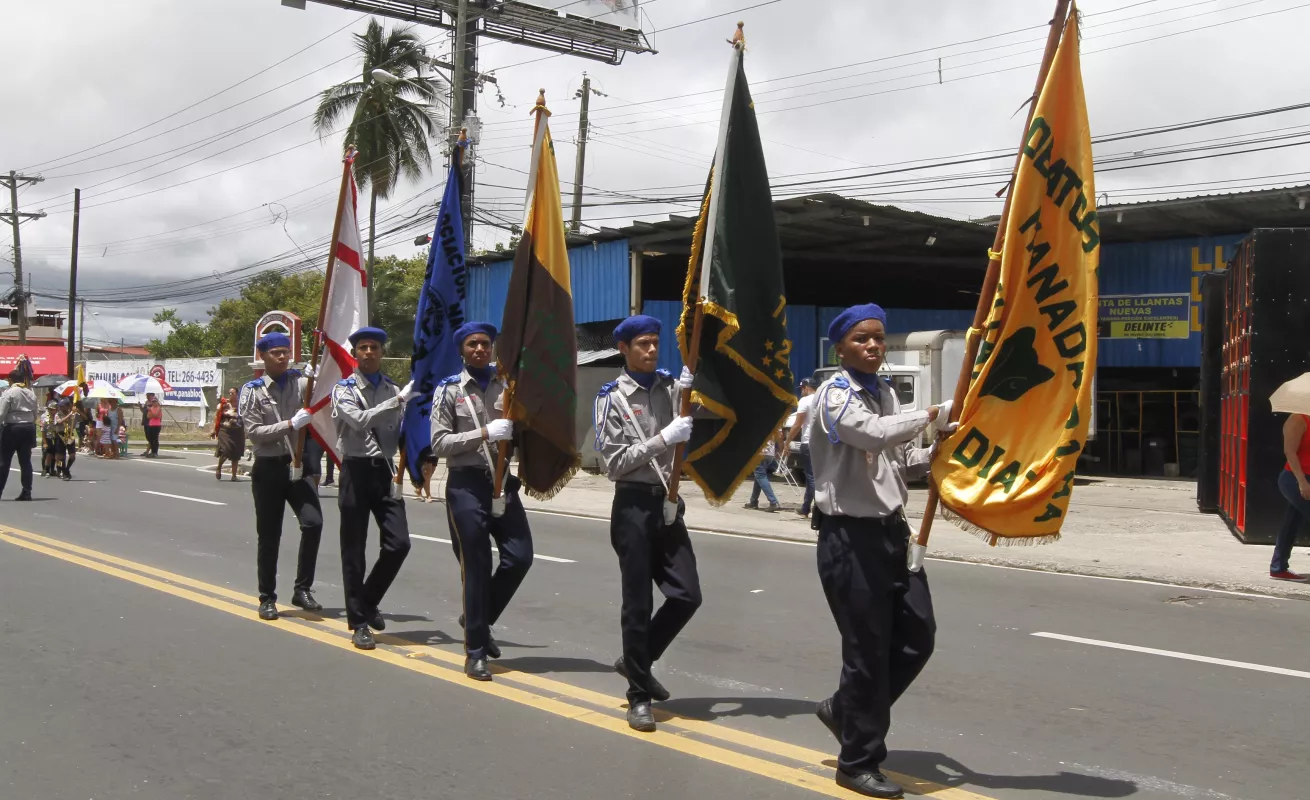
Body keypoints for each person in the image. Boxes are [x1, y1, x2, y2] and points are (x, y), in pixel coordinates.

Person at [809, 304, 953, 800]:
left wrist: (935, 446)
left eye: (879, 339)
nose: (873, 346)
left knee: (919, 636)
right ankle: (857, 761)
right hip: (849, 537)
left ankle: (846, 710)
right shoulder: (835, 395)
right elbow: (868, 434)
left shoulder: (886, 393)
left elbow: (899, 458)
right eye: (863, 339)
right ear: (841, 348)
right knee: (867, 653)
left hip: (893, 532)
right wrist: (929, 415)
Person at [593, 314, 702, 733]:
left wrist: (697, 385)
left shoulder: (672, 387)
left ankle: (636, 660)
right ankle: (638, 696)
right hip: (634, 505)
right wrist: (664, 439)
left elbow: (702, 412)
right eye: (642, 344)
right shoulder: (612, 398)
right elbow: (615, 463)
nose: (651, 350)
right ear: (624, 349)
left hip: (669, 504)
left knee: (687, 594)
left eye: (655, 342)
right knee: (638, 603)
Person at [431, 321, 534, 681]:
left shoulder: (508, 385)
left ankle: (478, 615)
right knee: (475, 566)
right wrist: (485, 432)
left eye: (486, 344)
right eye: (473, 344)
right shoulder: (449, 391)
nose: (480, 349)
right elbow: (439, 443)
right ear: (462, 349)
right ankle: (475, 651)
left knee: (520, 557)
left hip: (502, 483)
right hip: (466, 486)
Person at [331, 326, 419, 651]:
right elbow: (359, 421)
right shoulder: (344, 390)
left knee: (399, 544)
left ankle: (367, 600)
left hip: (385, 472)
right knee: (354, 551)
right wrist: (397, 402)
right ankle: (358, 623)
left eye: (375, 347)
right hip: (355, 471)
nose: (369, 352)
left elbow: (404, 433)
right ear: (355, 354)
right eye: (363, 347)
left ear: (382, 353)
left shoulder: (394, 388)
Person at [239, 332, 325, 621]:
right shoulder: (252, 391)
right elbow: (254, 434)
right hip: (268, 467)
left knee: (313, 523)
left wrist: (319, 379)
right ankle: (267, 596)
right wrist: (290, 424)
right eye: (275, 352)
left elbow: (326, 400)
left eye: (285, 352)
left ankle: (302, 589)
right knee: (270, 534)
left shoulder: (301, 383)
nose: (282, 357)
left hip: (296, 464)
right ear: (262, 357)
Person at [1272, 412, 1310, 581]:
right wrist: (1302, 482)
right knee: (1292, 521)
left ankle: (1278, 567)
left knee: (1291, 523)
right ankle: (1278, 566)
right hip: (1295, 478)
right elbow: (1290, 452)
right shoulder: (1298, 419)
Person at [0, 368, 39, 501]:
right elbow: (35, 414)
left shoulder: (9, 392)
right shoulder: (31, 393)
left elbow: (1, 414)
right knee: (25, 461)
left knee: (4, 461)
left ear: (10, 380)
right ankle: (27, 491)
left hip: (12, 427)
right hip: (28, 427)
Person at [781, 378, 818, 517]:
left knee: (811, 477)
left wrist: (787, 442)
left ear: (807, 388)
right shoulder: (824, 398)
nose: (801, 392)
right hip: (824, 443)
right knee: (819, 477)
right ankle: (806, 507)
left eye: (802, 389)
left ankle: (813, 508)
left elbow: (797, 424)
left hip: (808, 442)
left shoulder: (805, 401)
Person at [211, 387, 244, 481]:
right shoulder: (223, 404)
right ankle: (219, 467)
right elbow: (217, 417)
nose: (230, 395)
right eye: (229, 393)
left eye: (232, 393)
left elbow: (246, 416)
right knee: (225, 450)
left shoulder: (241, 405)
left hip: (238, 431)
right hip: (225, 430)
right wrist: (214, 430)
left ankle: (234, 476)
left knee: (236, 453)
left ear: (237, 394)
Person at [744, 434, 782, 511]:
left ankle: (773, 502)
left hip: (760, 452)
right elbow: (780, 435)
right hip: (770, 453)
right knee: (758, 477)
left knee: (760, 476)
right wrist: (779, 450)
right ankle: (753, 501)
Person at [53, 398, 77, 480]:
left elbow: (84, 418)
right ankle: (61, 470)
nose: (60, 408)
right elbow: (59, 422)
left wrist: (76, 411)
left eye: (62, 406)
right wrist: (69, 415)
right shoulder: (57, 414)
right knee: (60, 456)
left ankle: (66, 470)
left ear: (68, 406)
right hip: (60, 434)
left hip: (69, 434)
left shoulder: (73, 414)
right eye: (60, 406)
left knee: (72, 456)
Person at [141, 393, 163, 458]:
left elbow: (156, 415)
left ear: (157, 402)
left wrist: (151, 411)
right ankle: (152, 452)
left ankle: (155, 452)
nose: (153, 403)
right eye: (153, 402)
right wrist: (152, 413)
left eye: (155, 401)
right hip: (151, 424)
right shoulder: (151, 408)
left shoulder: (158, 408)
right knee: (150, 438)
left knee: (155, 439)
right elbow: (148, 416)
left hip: (156, 425)